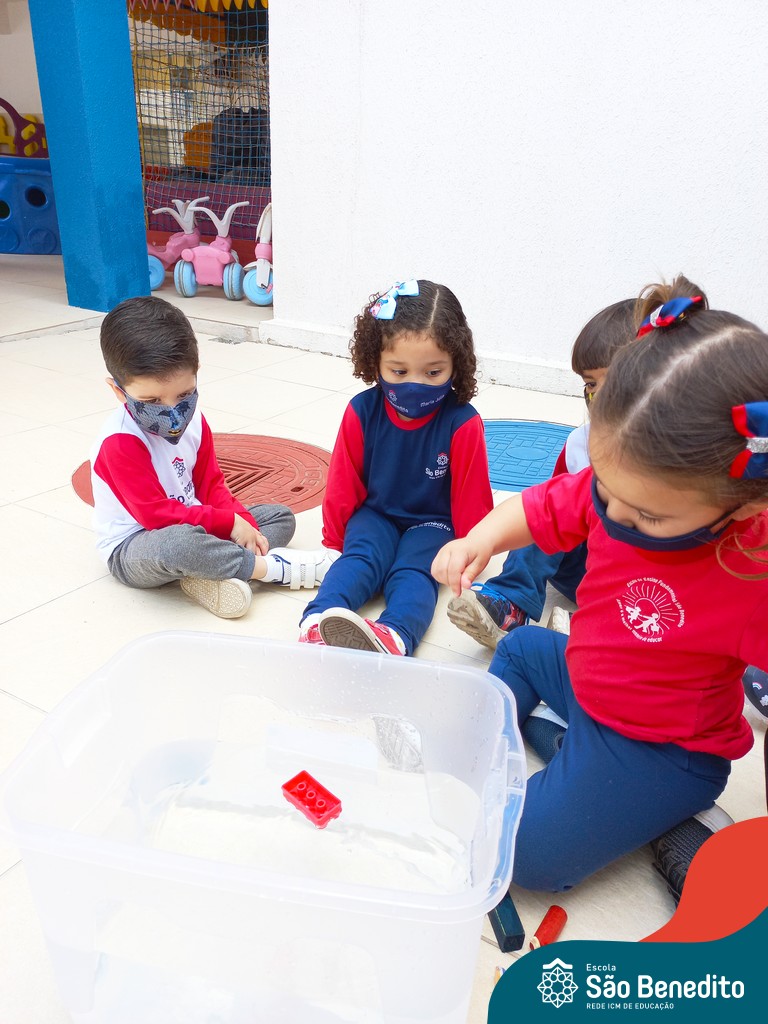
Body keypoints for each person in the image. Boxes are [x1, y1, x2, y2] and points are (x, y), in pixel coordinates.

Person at [432, 275, 768, 894]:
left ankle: (655, 806)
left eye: (645, 516)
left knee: (522, 855)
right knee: (519, 648)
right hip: (588, 683)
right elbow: (537, 506)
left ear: (744, 505)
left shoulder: (751, 567)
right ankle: (568, 757)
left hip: (661, 751)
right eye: (605, 492)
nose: (610, 516)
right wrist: (477, 540)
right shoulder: (617, 488)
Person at [92, 296, 334, 618]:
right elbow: (155, 517)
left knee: (279, 517)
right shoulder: (120, 443)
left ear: (196, 373)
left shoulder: (194, 420)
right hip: (137, 545)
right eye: (151, 400)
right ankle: (270, 569)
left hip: (195, 523)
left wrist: (244, 524)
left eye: (183, 394)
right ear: (118, 391)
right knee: (180, 545)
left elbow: (211, 485)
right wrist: (229, 524)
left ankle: (215, 570)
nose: (172, 413)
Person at [299, 279, 493, 655]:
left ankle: (396, 635)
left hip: (433, 524)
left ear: (456, 364)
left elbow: (472, 496)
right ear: (375, 361)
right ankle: (317, 621)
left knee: (413, 572)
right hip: (375, 515)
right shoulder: (361, 411)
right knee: (360, 560)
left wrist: (471, 551)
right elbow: (343, 482)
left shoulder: (463, 423)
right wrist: (334, 542)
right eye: (399, 372)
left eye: (432, 373)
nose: (414, 385)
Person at [447, 298, 635, 650]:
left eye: (614, 382)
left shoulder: (688, 463)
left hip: (653, 590)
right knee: (543, 521)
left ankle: (591, 630)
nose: (599, 397)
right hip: (592, 569)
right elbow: (545, 508)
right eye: (591, 385)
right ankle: (509, 604)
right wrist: (478, 540)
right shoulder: (581, 445)